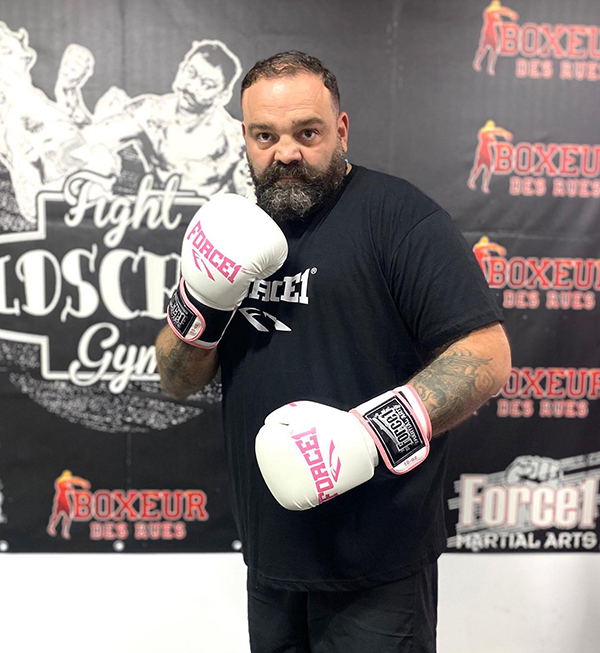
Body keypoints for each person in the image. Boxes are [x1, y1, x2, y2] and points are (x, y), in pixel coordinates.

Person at [155, 51, 511, 652]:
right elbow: (175, 379)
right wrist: (202, 300)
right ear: (245, 137)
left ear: (341, 129)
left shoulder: (399, 217)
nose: (286, 153)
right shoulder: (235, 232)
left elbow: (487, 354)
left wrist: (372, 434)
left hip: (379, 562)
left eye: (307, 133)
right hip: (271, 556)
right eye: (265, 136)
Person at [83, 40, 252, 198]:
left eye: (206, 84)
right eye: (191, 73)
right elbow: (88, 138)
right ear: (181, 68)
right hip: (158, 213)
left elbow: (252, 197)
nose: (191, 87)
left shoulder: (235, 140)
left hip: (209, 215)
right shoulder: (151, 113)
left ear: (223, 96)